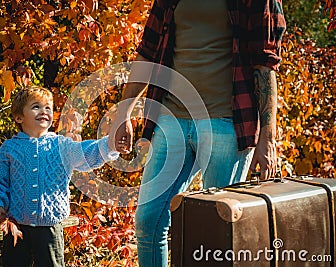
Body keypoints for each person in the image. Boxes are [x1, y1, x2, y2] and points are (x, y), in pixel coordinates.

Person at [108, 0, 286, 266]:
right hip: (171, 119)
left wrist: (267, 138)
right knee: (148, 221)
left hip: (225, 123)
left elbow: (265, 64)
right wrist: (124, 111)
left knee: (218, 230)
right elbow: (148, 51)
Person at [0, 86, 119, 267]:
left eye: (48, 107)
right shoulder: (10, 148)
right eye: (36, 107)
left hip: (50, 227)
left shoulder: (62, 146)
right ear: (19, 117)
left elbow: (87, 153)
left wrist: (110, 144)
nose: (44, 111)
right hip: (16, 226)